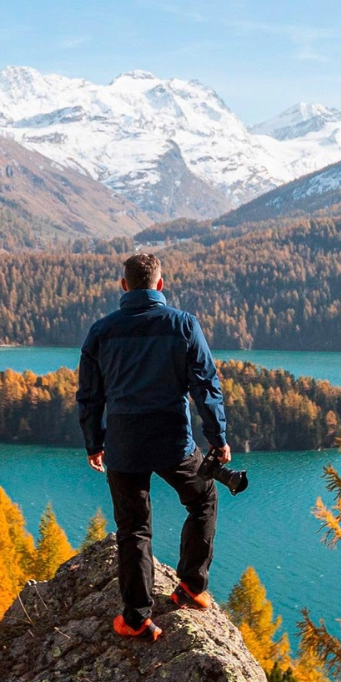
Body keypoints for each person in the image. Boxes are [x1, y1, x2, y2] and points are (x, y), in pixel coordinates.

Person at [77, 252, 230, 642]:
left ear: (123, 285)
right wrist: (218, 440)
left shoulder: (101, 331)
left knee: (133, 530)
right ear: (160, 285)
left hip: (124, 447)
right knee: (203, 500)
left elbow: (90, 396)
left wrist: (94, 442)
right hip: (174, 443)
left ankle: (136, 618)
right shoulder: (183, 324)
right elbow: (205, 386)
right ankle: (191, 587)